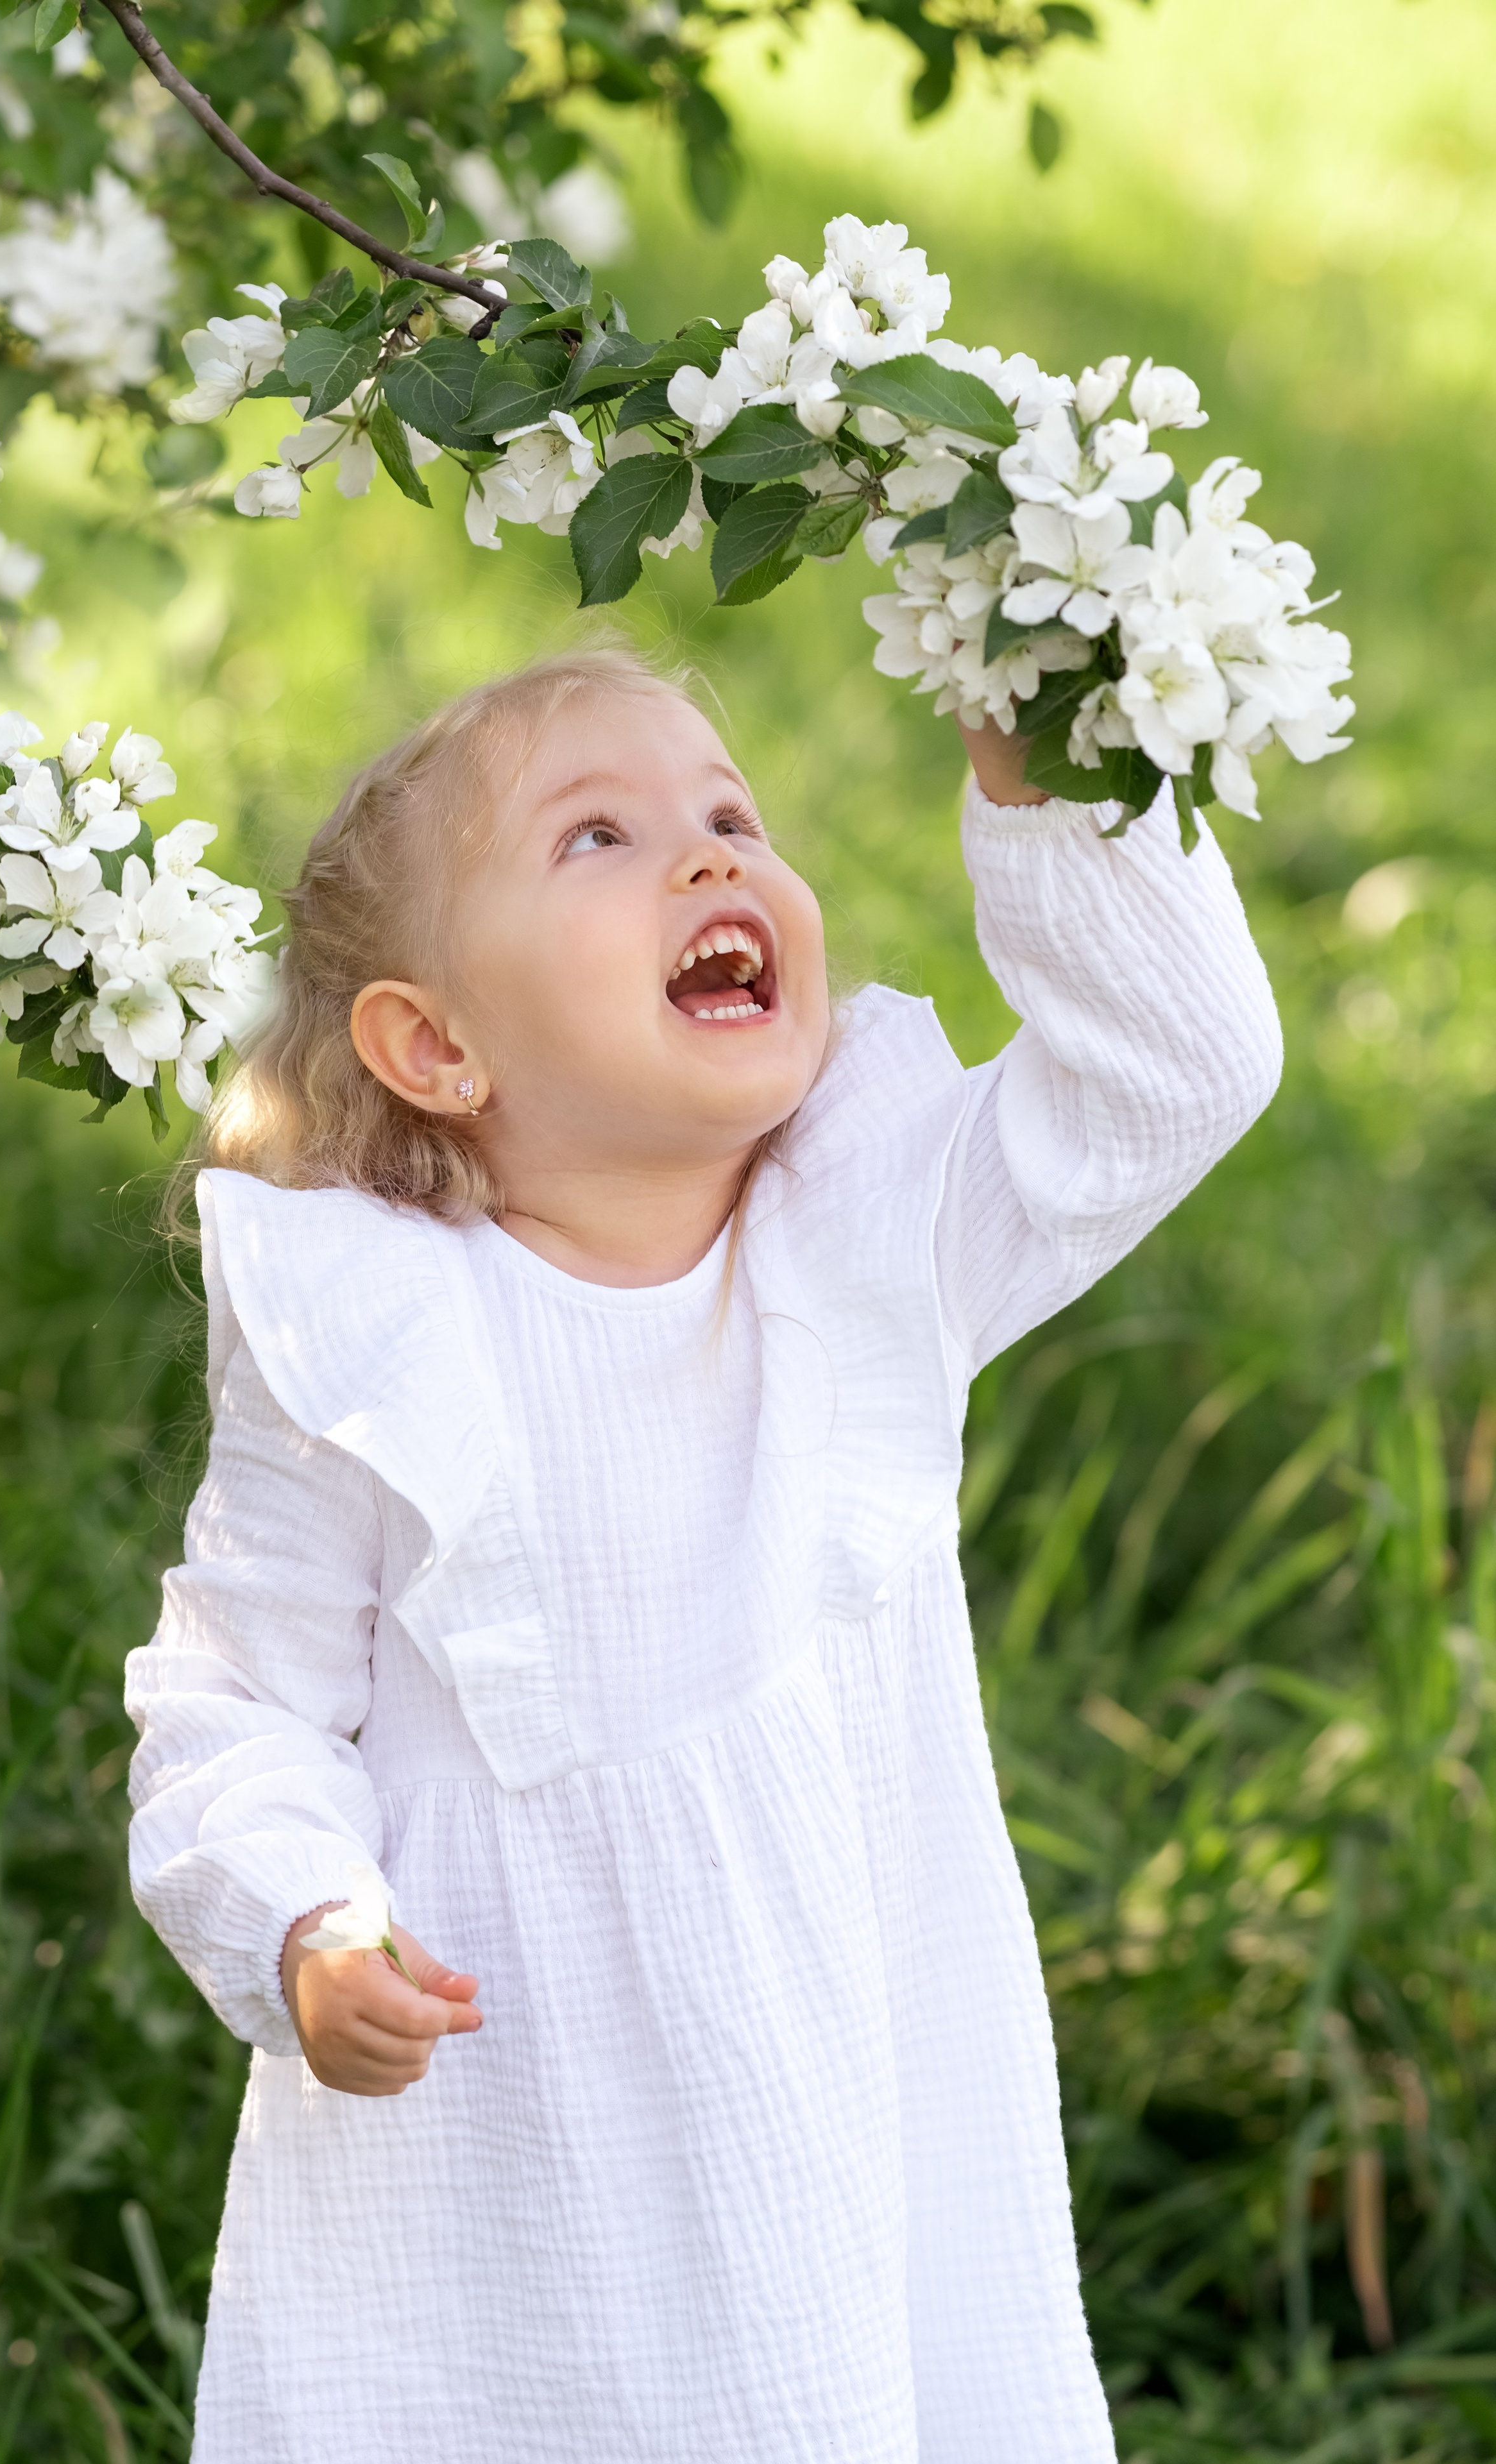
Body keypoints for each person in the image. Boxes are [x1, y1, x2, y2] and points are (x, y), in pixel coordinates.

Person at [124, 641, 1281, 2463]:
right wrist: (301, 1916)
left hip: (844, 2112)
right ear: (437, 1043)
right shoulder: (372, 1326)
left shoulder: (871, 1220)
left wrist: (1056, 777)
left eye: (734, 816)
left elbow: (1184, 1072)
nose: (712, 857)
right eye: (601, 836)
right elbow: (233, 1699)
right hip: (504, 2144)